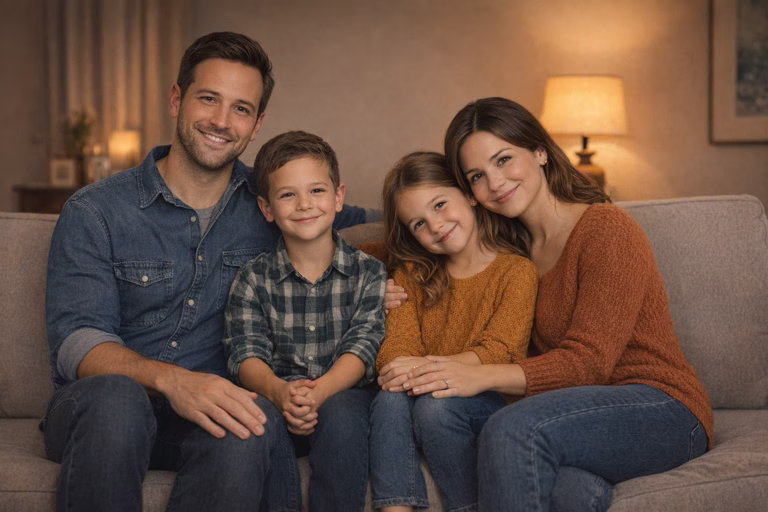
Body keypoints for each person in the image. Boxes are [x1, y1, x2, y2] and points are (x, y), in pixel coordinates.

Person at [43, 32, 373, 512]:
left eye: (241, 108)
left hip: (205, 418)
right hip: (98, 413)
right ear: (177, 99)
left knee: (248, 418)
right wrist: (173, 380)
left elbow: (380, 225)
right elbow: (76, 342)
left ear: (257, 124)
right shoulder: (95, 210)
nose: (221, 121)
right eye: (208, 99)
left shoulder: (273, 201)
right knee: (118, 400)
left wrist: (389, 278)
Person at [389, 97, 713, 511]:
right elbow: (400, 239)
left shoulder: (606, 230)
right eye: (477, 176)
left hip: (662, 408)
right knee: (561, 487)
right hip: (573, 416)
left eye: (504, 160)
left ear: (539, 151)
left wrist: (481, 375)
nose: (496, 183)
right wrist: (362, 275)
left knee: (511, 429)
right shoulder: (511, 244)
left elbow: (589, 363)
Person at [223, 130, 387, 511]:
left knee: (344, 414)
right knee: (257, 415)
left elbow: (363, 345)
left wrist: (321, 391)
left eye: (316, 190)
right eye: (287, 195)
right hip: (277, 393)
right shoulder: (252, 277)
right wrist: (281, 393)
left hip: (342, 395)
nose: (304, 205)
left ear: (338, 196)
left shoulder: (369, 273)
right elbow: (245, 352)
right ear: (266, 208)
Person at [369, 151, 537, 512]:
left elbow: (500, 350)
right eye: (418, 223)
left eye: (440, 204)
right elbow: (395, 352)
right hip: (422, 391)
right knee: (388, 396)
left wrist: (430, 370)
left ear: (469, 195)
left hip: (492, 402)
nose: (436, 225)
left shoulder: (516, 272)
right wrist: (363, 285)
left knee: (435, 408)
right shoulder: (412, 275)